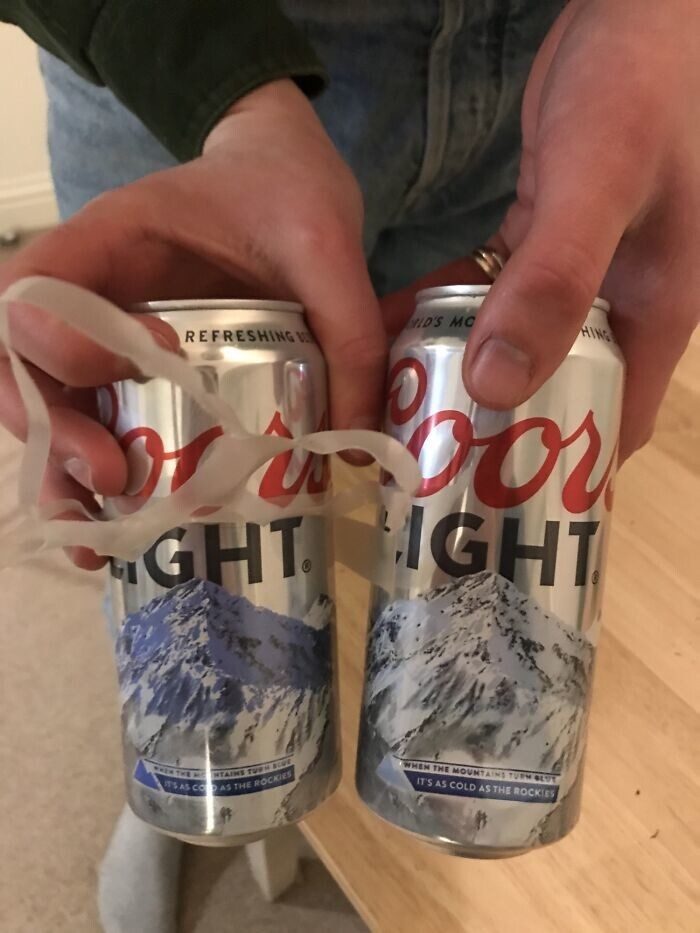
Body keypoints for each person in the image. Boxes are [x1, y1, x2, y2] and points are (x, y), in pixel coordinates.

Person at [0, 1, 697, 931]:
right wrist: (227, 90)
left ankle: (293, 756)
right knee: (160, 541)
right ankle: (182, 763)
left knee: (392, 532)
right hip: (164, 71)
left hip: (529, 90)